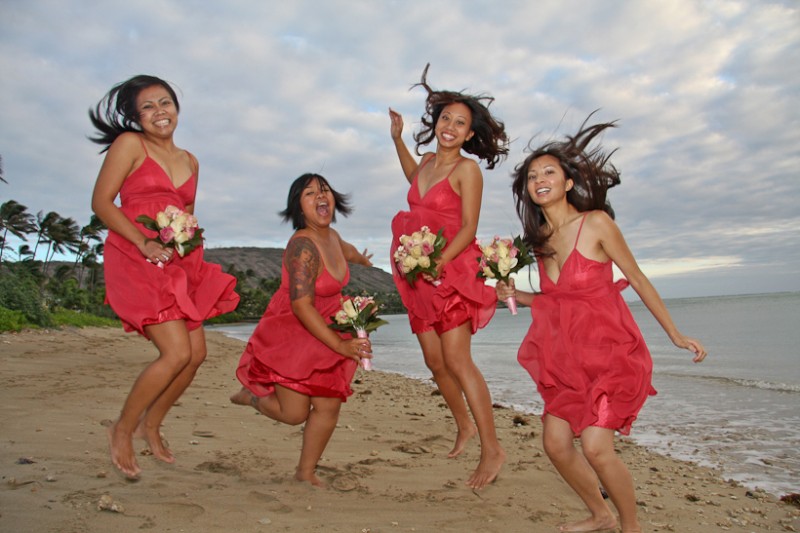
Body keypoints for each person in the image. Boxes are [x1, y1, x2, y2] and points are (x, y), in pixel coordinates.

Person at [495, 115, 707, 532]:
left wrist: (675, 334)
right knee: (555, 444)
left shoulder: (595, 223)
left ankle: (631, 528)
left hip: (611, 355)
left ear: (567, 182)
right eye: (533, 175)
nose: (540, 179)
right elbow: (558, 300)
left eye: (549, 172)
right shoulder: (539, 239)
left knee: (595, 446)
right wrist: (514, 295)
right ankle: (600, 515)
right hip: (567, 361)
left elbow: (639, 278)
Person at [90, 75, 240, 479]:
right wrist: (142, 242)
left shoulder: (191, 161)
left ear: (177, 107)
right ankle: (122, 429)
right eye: (148, 107)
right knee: (175, 353)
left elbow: (184, 214)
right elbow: (101, 202)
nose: (160, 112)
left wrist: (184, 242)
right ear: (135, 118)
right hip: (135, 253)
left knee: (197, 355)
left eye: (165, 103)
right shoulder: (130, 146)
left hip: (177, 261)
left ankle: (150, 425)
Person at [388, 64, 509, 489]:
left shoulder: (467, 170)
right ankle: (464, 425)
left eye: (461, 122)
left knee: (457, 360)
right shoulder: (424, 162)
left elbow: (469, 228)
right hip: (417, 273)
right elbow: (413, 180)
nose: (450, 126)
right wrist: (398, 139)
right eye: (445, 118)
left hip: (452, 270)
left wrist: (441, 263)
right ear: (436, 122)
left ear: (470, 133)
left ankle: (492, 447)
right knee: (434, 360)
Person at [230, 173, 374, 487]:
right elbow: (301, 306)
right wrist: (339, 345)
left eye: (324, 190)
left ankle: (305, 471)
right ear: (299, 207)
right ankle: (251, 397)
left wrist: (363, 259)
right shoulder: (303, 247)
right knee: (294, 413)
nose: (320, 196)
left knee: (328, 404)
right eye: (309, 193)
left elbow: (347, 251)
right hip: (296, 330)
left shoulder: (333, 237)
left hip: (330, 323)